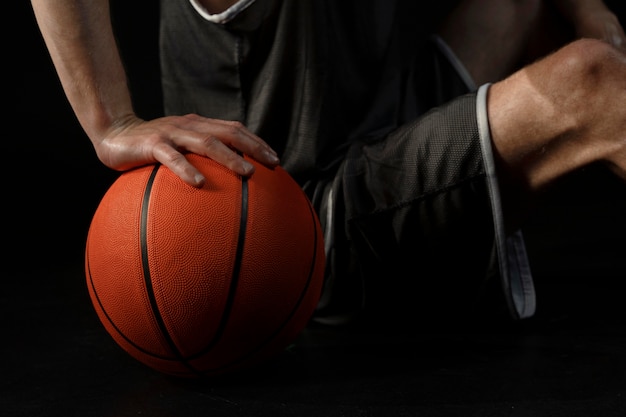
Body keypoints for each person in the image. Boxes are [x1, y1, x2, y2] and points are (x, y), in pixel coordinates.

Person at [30, 0, 626, 329]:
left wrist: (587, 6)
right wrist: (112, 122)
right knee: (592, 81)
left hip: (380, 129)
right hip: (302, 234)